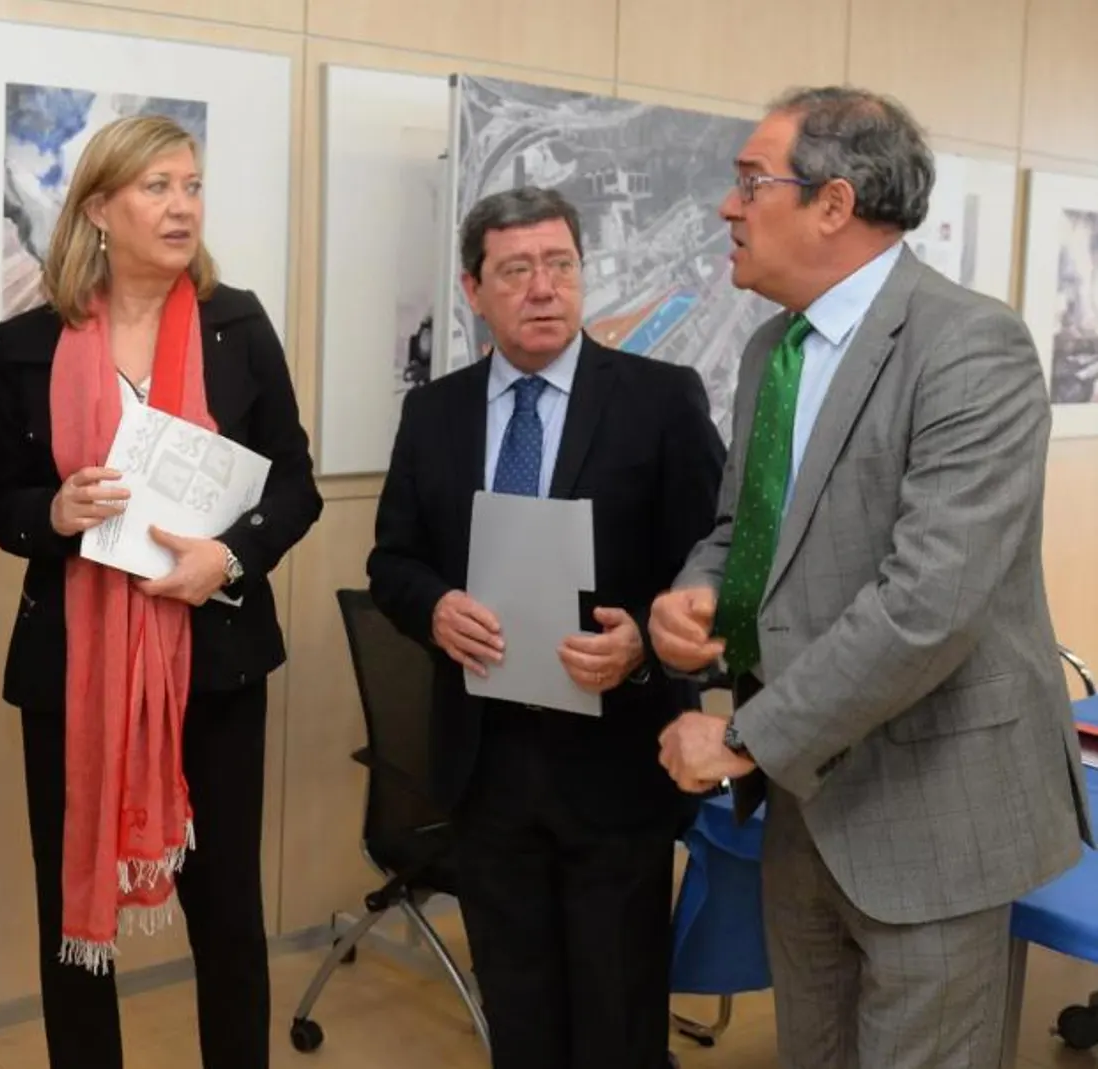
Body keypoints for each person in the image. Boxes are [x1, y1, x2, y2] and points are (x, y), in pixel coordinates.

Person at [652, 86, 1092, 1069]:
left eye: (748, 182)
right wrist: (696, 589)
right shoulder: (774, 348)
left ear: (833, 204)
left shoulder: (969, 347)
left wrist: (743, 738)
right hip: (807, 800)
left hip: (931, 801)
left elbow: (928, 604)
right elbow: (744, 529)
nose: (727, 207)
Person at [0, 113, 321, 1069]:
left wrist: (231, 558)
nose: (182, 207)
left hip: (213, 663)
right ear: (99, 205)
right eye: (157, 187)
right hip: (70, 672)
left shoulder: (238, 324)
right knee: (70, 912)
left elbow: (293, 485)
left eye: (193, 185)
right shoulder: (23, 345)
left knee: (227, 912)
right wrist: (49, 512)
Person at [367, 186, 724, 1069]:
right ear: (473, 288)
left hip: (617, 762)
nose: (542, 288)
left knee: (616, 1016)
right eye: (516, 269)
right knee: (520, 1014)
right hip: (487, 763)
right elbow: (393, 562)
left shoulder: (660, 399)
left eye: (560, 265)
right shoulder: (436, 412)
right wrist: (435, 606)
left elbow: (713, 564)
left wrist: (642, 636)